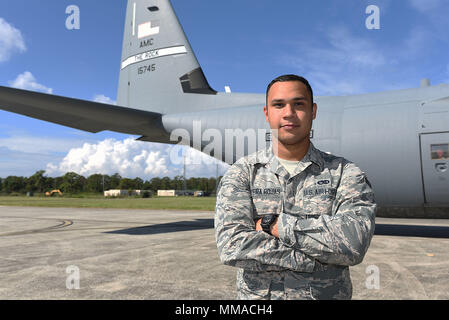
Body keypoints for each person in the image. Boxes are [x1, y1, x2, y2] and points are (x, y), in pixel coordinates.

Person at [214, 74, 376, 300]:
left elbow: (353, 243)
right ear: (267, 113)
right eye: (279, 105)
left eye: (298, 104)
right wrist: (315, 260)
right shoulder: (243, 172)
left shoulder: (345, 172)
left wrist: (274, 225)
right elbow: (232, 245)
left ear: (313, 111)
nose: (289, 113)